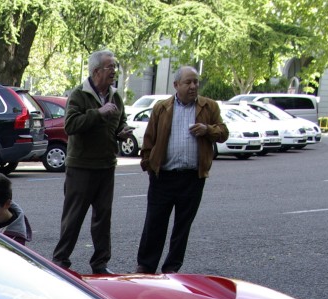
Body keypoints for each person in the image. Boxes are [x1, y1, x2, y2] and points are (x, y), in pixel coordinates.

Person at [134, 66, 228, 274]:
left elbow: (223, 133)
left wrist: (207, 130)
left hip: (192, 178)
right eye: (188, 82)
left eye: (196, 82)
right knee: (155, 223)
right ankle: (146, 266)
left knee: (182, 227)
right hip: (163, 176)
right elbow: (149, 140)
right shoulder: (162, 108)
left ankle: (172, 269)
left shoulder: (208, 107)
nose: (193, 86)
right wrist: (149, 165)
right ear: (176, 85)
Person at [51, 50, 126, 274]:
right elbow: (70, 125)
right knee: (73, 217)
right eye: (109, 67)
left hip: (106, 165)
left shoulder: (116, 96)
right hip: (81, 166)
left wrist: (121, 132)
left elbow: (120, 121)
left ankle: (100, 264)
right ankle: (61, 260)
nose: (114, 71)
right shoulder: (79, 95)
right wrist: (98, 113)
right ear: (96, 72)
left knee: (103, 218)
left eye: (115, 67)